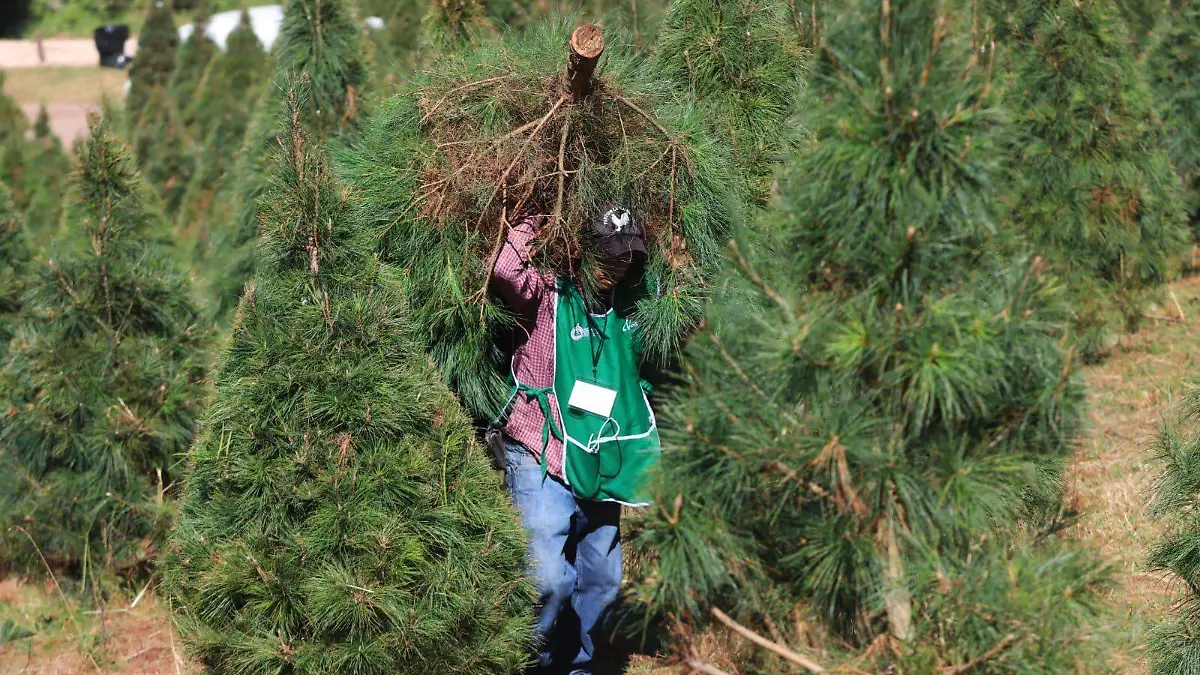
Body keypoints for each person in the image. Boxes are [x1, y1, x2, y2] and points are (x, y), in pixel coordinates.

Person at [490, 203, 662, 675]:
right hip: (543, 448)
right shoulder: (548, 291)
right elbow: (507, 268)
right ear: (580, 249)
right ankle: (539, 665)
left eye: (627, 256)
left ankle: (580, 668)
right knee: (548, 580)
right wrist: (547, 205)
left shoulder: (632, 308)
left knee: (604, 584)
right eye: (607, 255)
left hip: (603, 457)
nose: (617, 266)